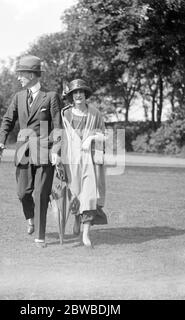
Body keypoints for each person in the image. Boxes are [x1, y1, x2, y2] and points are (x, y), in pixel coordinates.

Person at [0, 55, 62, 248]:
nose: (19, 78)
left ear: (32, 74)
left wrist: (56, 149)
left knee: (40, 194)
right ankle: (30, 216)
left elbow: (58, 126)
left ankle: (40, 237)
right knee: (23, 193)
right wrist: (1, 141)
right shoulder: (18, 97)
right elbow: (8, 120)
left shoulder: (51, 97)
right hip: (23, 151)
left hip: (44, 152)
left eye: (21, 74)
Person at [60, 79, 108, 248]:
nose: (78, 95)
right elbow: (59, 136)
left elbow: (104, 135)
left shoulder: (95, 113)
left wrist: (92, 138)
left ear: (85, 95)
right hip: (71, 161)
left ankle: (86, 234)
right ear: (71, 96)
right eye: (75, 92)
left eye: (81, 92)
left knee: (88, 196)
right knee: (74, 194)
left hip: (90, 160)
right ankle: (76, 218)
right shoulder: (64, 114)